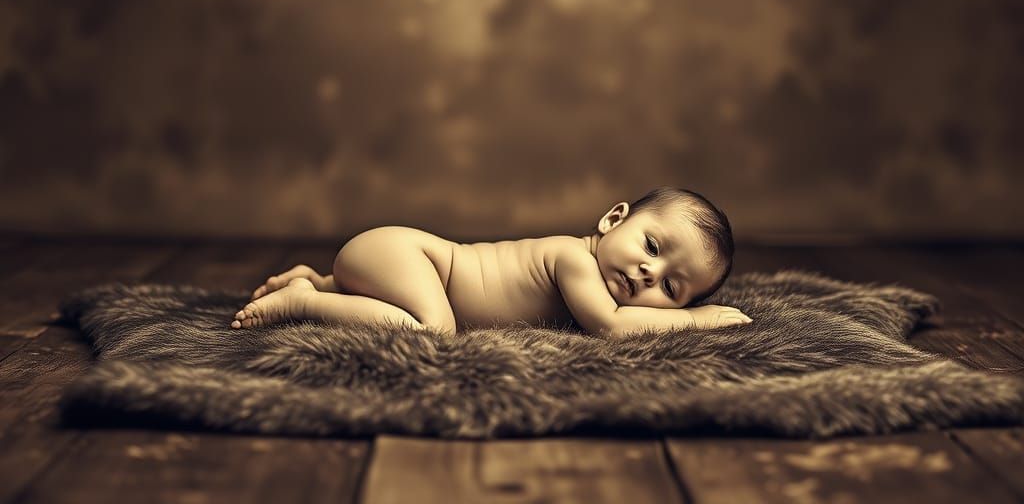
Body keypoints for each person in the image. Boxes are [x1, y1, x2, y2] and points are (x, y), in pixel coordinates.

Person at [231, 186, 751, 339]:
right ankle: (306, 302)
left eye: (672, 288)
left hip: (387, 261)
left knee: (419, 305)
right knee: (434, 329)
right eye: (653, 249)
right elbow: (612, 327)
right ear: (613, 220)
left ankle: (322, 281)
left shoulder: (589, 263)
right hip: (405, 252)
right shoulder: (574, 259)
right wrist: (690, 318)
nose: (647, 275)